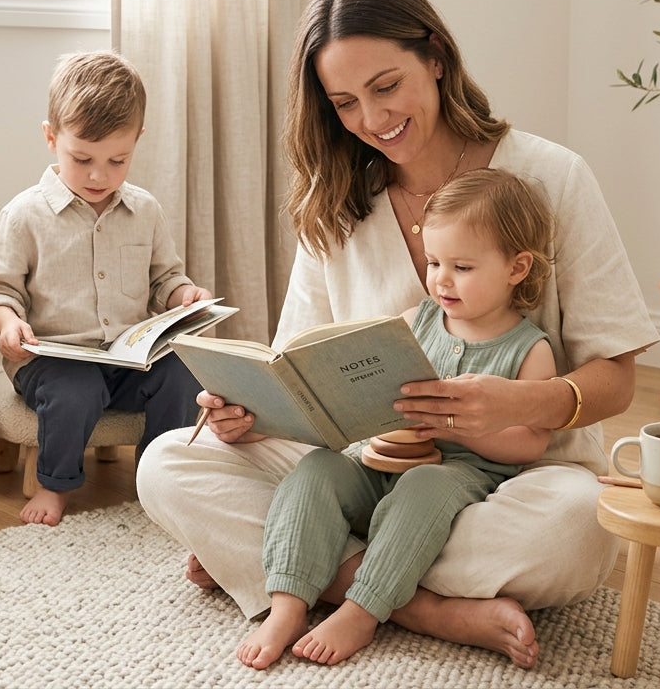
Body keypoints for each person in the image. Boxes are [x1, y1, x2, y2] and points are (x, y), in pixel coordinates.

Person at [137, 0, 658, 669]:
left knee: (578, 526)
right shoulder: (335, 200)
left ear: (435, 58)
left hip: (503, 478)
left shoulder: (550, 177)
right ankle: (423, 607)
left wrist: (516, 402)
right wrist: (245, 410)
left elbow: (618, 379)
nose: (373, 119)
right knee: (170, 464)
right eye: (345, 102)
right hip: (360, 469)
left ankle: (298, 566)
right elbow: (297, 372)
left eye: (386, 87)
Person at [238, 169, 558, 669]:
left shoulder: (529, 350)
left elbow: (530, 445)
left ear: (517, 268)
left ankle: (364, 608)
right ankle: (288, 603)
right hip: (379, 462)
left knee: (424, 486)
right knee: (317, 469)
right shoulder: (416, 321)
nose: (441, 279)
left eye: (463, 266)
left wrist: (458, 427)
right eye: (433, 262)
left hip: (454, 475)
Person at [0, 50, 210, 527]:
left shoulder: (145, 211)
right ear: (50, 138)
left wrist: (183, 298)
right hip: (50, 361)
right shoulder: (23, 215)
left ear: (136, 143)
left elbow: (165, 278)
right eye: (81, 159)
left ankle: (160, 476)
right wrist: (9, 324)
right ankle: (54, 484)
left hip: (127, 360)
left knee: (183, 372)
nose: (99, 175)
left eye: (117, 160)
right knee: (75, 390)